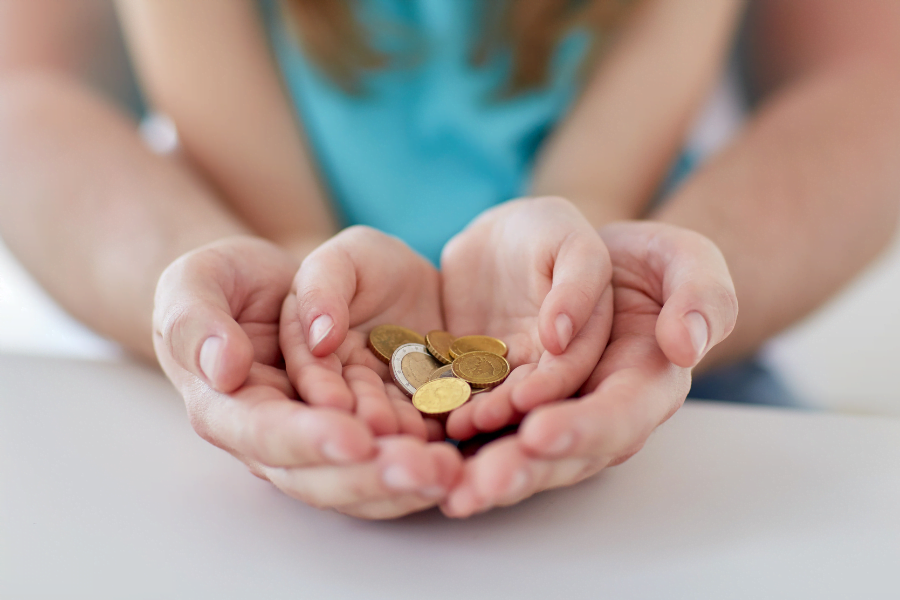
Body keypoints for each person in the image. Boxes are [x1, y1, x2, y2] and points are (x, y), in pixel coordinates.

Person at [0, 0, 898, 519]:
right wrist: (264, 271)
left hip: (646, 340)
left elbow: (872, 88)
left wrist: (608, 259)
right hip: (253, 339)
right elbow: (22, 91)